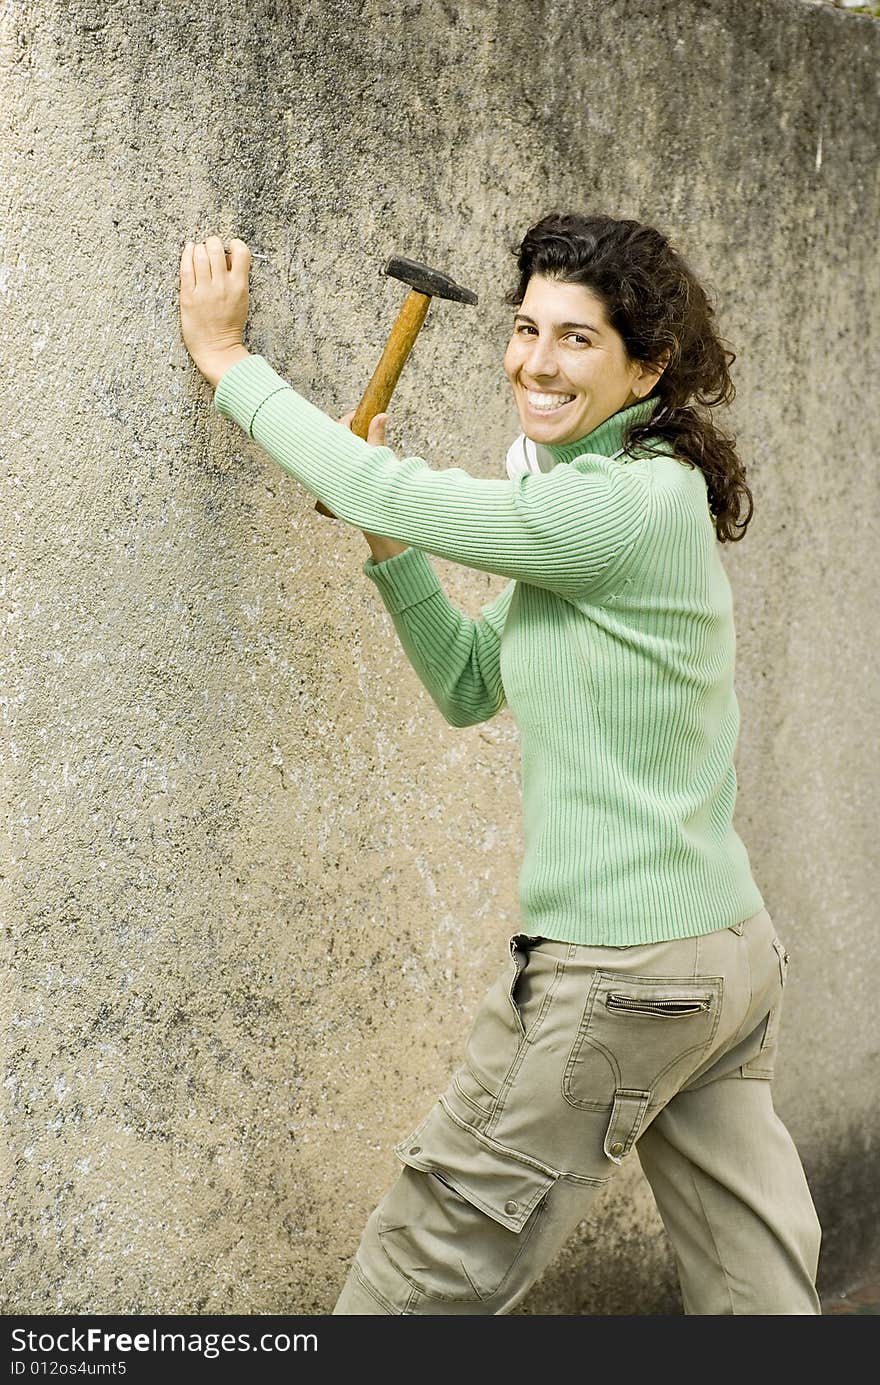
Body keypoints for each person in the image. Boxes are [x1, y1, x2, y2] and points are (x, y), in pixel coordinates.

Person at [178, 212, 822, 1315]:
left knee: (417, 1281)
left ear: (647, 364)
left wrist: (229, 360)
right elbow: (471, 680)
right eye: (526, 327)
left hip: (621, 969)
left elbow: (391, 486)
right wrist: (388, 542)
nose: (533, 358)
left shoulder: (610, 506)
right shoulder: (610, 493)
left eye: (576, 338)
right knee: (757, 1296)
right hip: (714, 962)